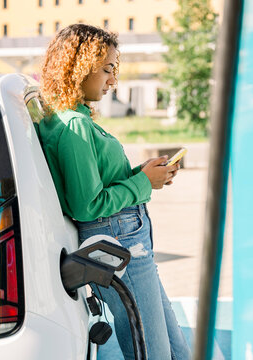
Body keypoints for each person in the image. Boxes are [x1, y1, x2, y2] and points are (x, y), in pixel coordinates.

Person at [38, 24, 192, 360]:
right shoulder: (75, 126)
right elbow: (86, 205)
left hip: (124, 237)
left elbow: (97, 182)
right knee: (153, 351)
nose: (113, 80)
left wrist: (144, 174)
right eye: (107, 69)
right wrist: (142, 184)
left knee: (176, 347)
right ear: (80, 67)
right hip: (120, 241)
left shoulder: (71, 119)